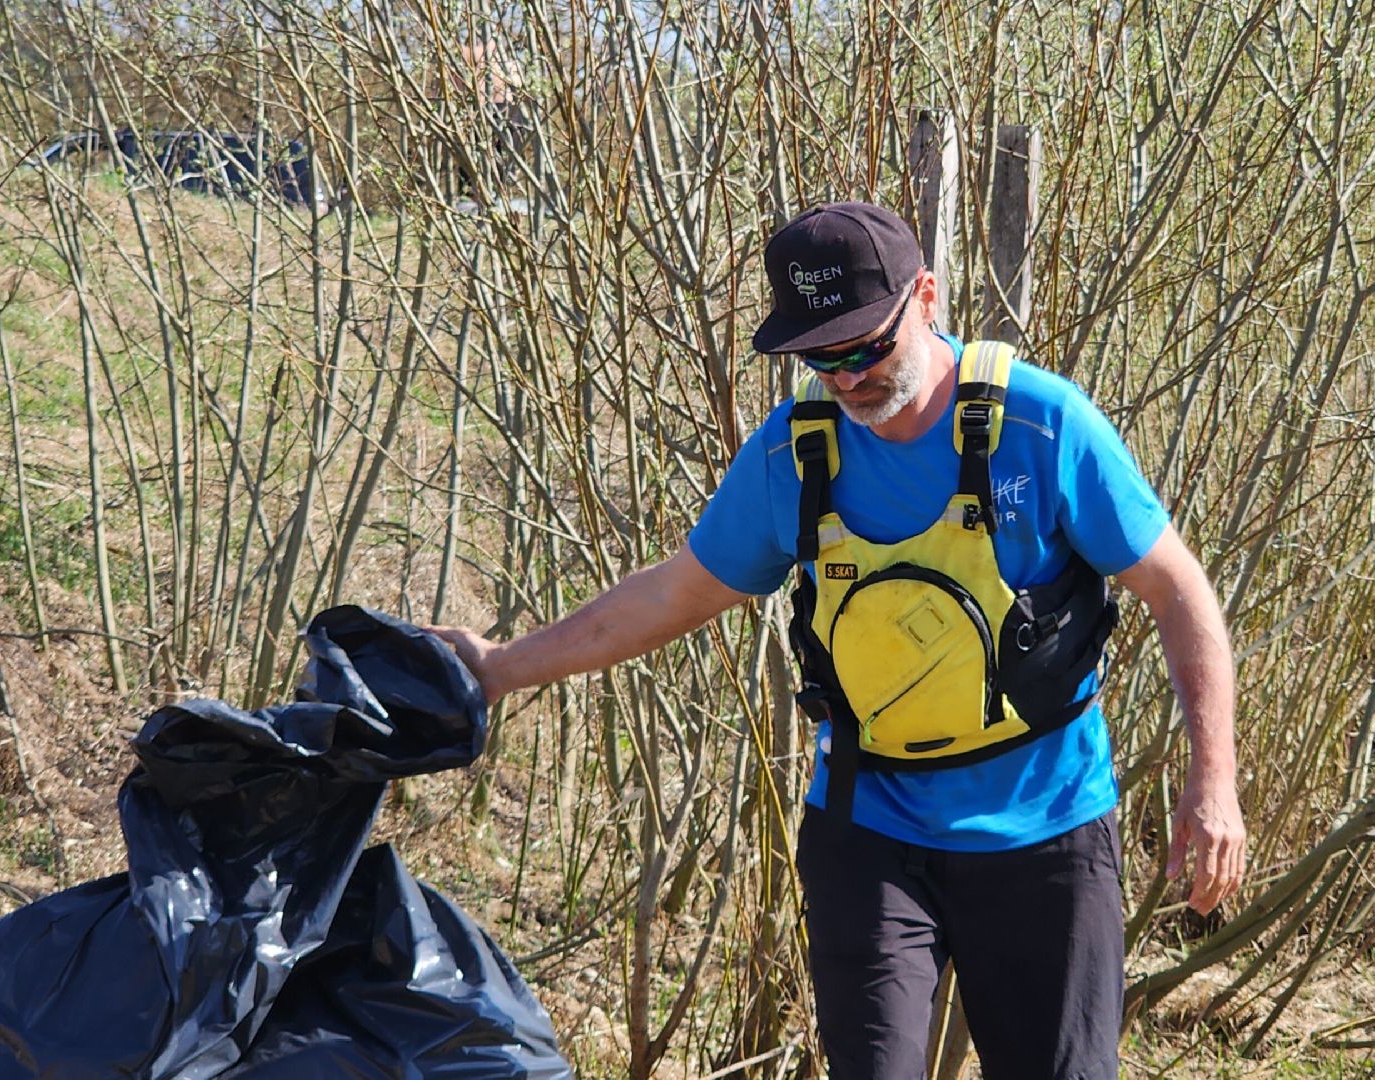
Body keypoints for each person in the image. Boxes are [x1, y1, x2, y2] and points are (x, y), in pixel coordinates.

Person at [430, 201, 1245, 1079]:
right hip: (869, 825)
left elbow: (1178, 591)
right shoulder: (793, 455)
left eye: (864, 346)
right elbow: (671, 594)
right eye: (820, 357)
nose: (847, 378)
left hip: (1042, 830)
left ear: (925, 297)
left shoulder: (1040, 426)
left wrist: (1213, 783)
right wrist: (499, 668)